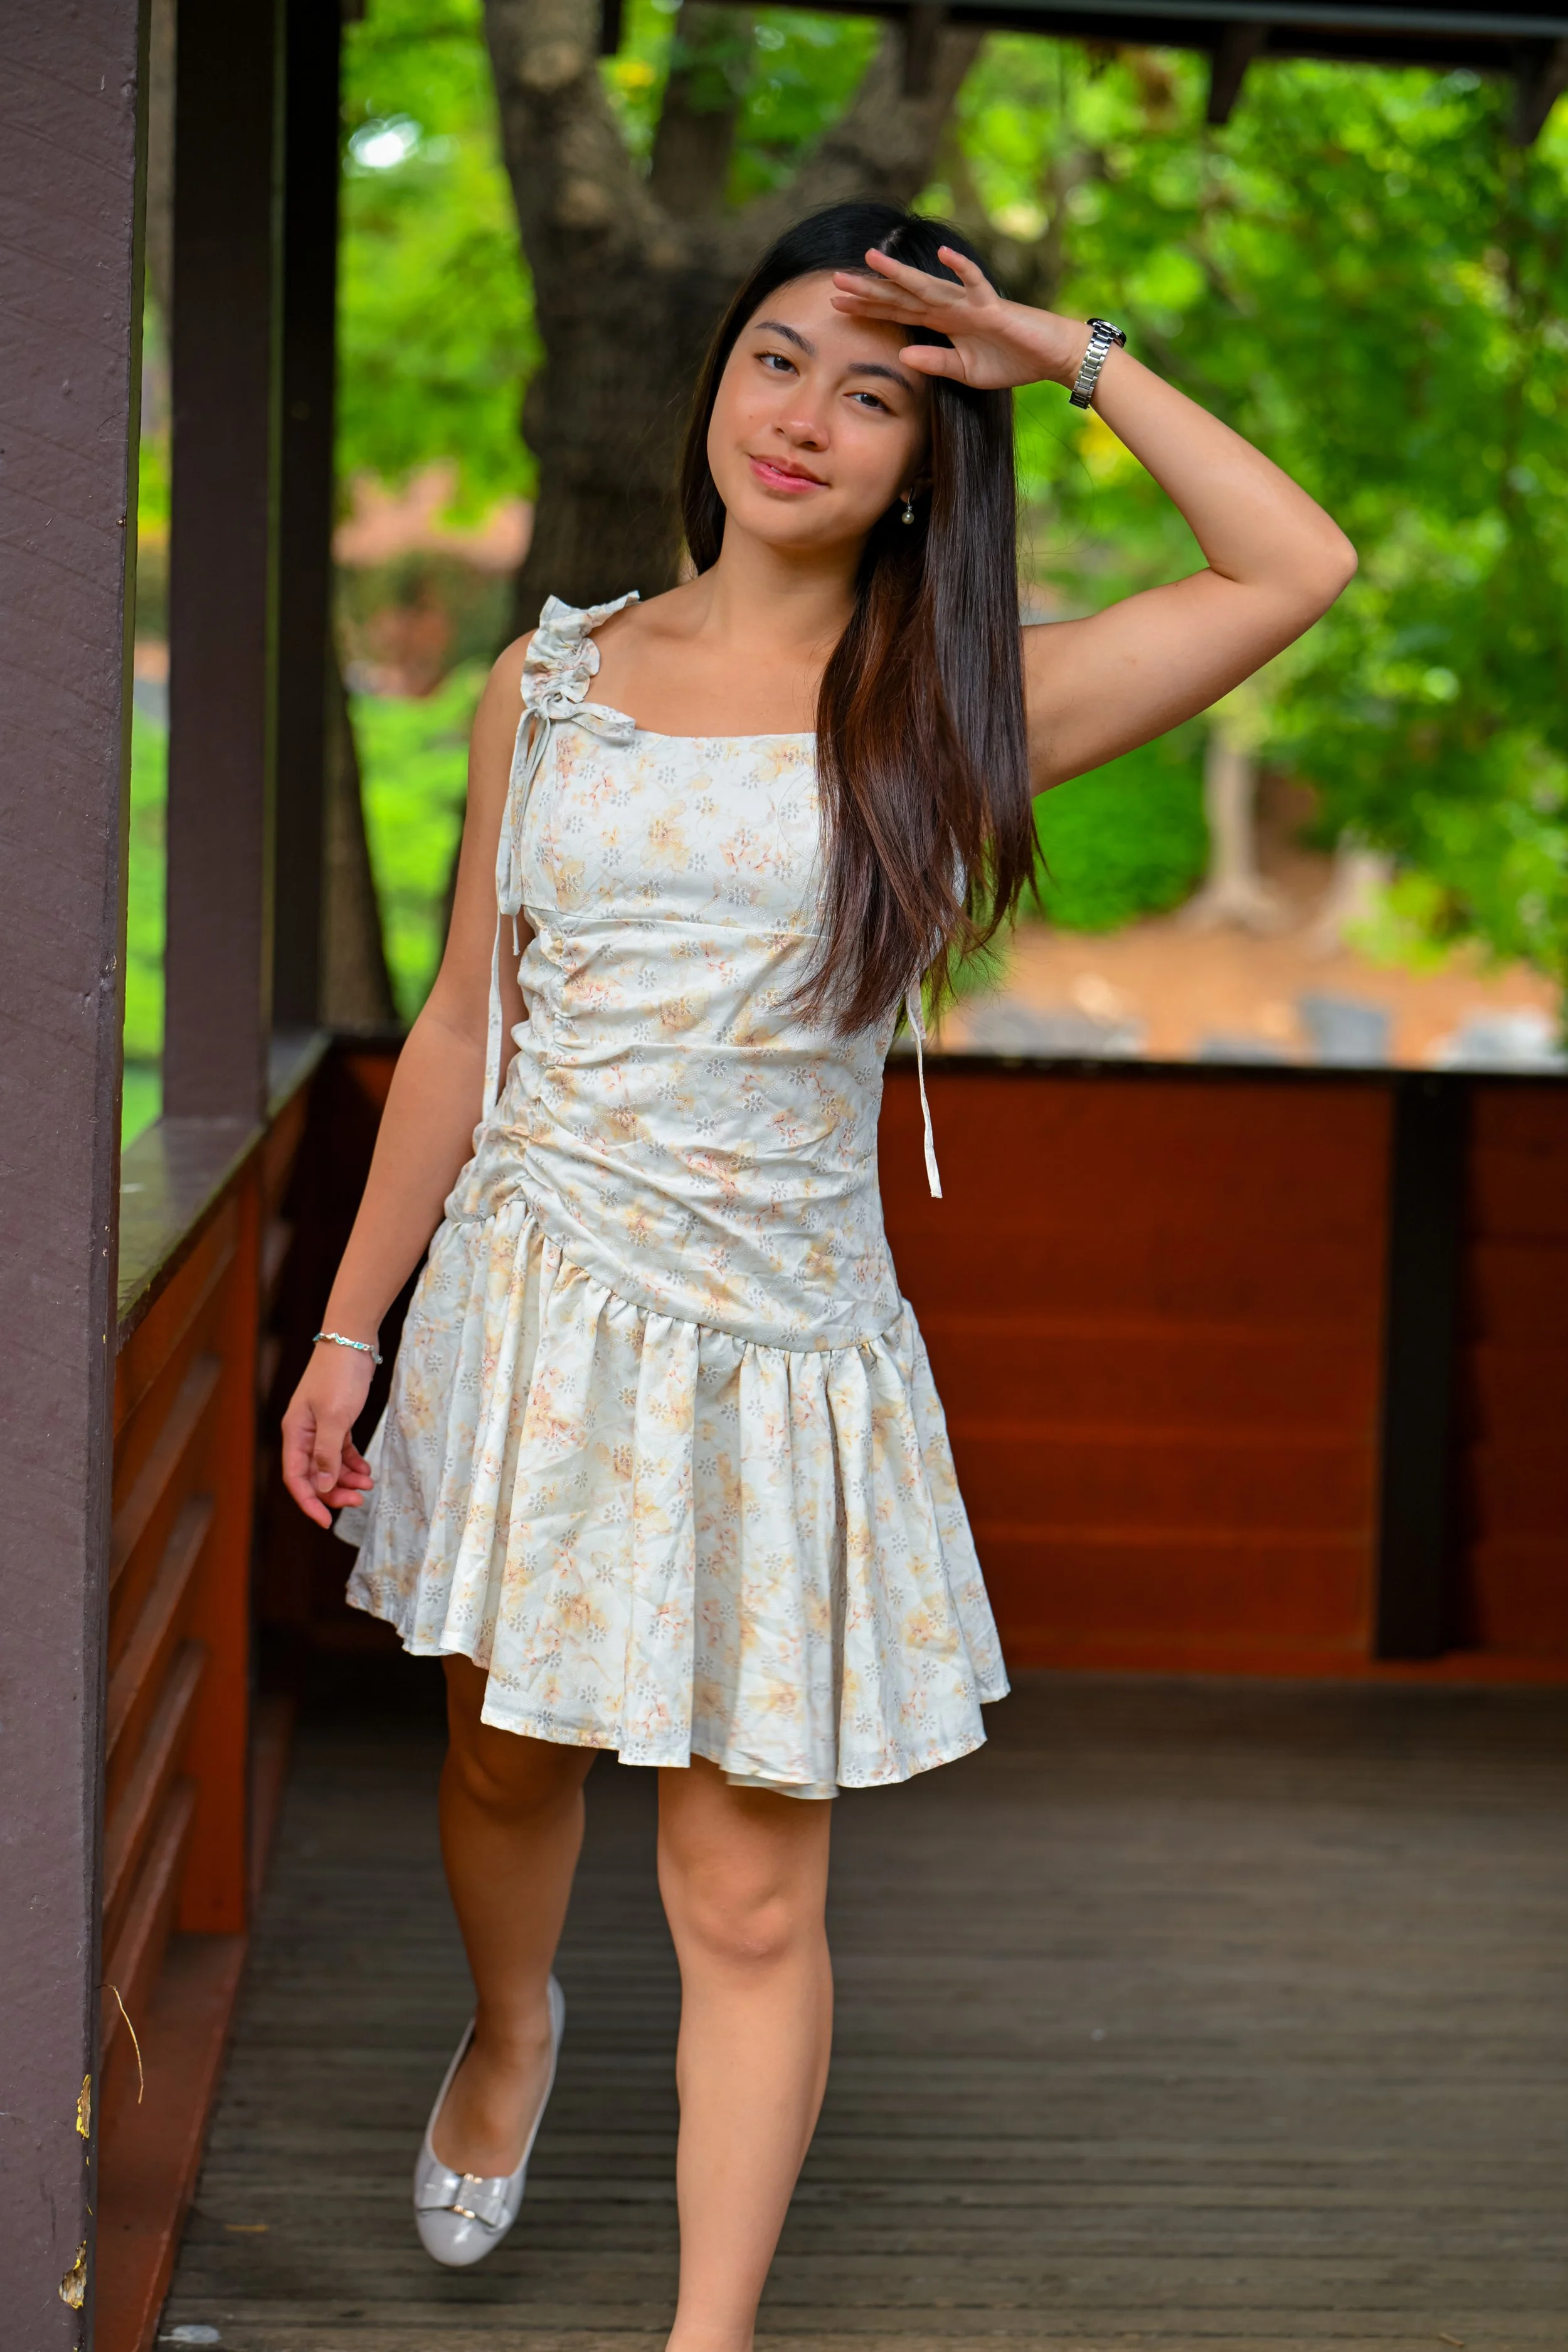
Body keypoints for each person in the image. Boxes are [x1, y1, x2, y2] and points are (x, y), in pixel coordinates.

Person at [282, 199, 1353, 2345]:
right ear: (712, 383)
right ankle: (511, 2030)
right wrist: (348, 1328)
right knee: (503, 1762)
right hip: (530, 1319)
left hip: (783, 1352)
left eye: (874, 390)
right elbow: (466, 1030)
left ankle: (710, 2335)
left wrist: (1064, 347)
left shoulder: (955, 709)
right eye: (778, 356)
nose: (806, 417)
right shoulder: (553, 678)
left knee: (749, 1893)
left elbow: (1293, 565)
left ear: (924, 454)